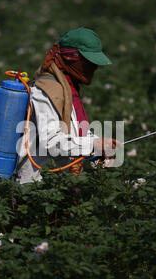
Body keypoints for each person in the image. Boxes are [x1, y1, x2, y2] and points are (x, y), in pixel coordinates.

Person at [14, 27, 121, 184]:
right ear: (72, 58)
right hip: (35, 187)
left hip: (58, 184)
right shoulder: (45, 91)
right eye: (89, 63)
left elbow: (76, 132)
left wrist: (99, 146)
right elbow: (50, 142)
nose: (94, 68)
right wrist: (93, 144)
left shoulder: (69, 89)